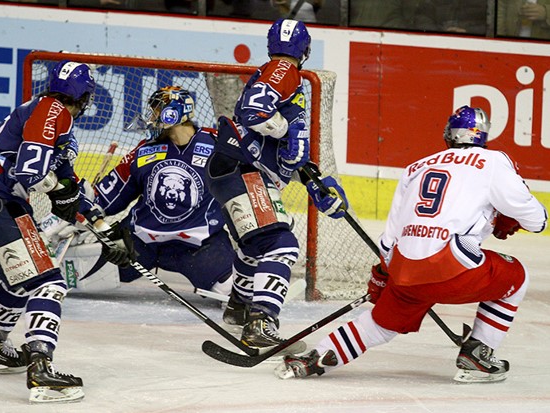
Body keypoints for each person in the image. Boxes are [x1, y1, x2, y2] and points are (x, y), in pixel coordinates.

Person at [275, 106, 548, 382]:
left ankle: (315, 358)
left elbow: (390, 239)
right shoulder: (493, 161)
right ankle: (479, 352)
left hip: (406, 270)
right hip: (453, 268)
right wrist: (511, 218)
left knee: (380, 325)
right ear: (482, 137)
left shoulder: (416, 167)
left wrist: (382, 279)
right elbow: (536, 219)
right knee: (517, 277)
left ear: (448, 135)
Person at [0, 60, 95, 403]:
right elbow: (32, 174)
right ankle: (41, 369)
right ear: (85, 94)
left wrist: (97, 218)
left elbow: (67, 181)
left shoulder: (54, 115)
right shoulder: (52, 109)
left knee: (19, 278)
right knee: (49, 282)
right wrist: (59, 191)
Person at [206, 18, 349, 350]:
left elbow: (283, 151)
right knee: (281, 245)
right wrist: (288, 130)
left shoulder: (281, 76)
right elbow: (254, 112)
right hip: (244, 168)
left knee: (256, 246)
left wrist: (314, 182)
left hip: (237, 170)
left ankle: (239, 308)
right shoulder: (284, 71)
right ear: (306, 49)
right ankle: (260, 322)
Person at [59, 86, 236, 297]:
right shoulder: (144, 150)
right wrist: (82, 210)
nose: (151, 118)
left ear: (174, 113)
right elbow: (108, 196)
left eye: (156, 112)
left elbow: (246, 182)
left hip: (199, 246)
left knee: (237, 292)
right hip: (139, 244)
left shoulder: (218, 145)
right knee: (70, 278)